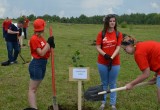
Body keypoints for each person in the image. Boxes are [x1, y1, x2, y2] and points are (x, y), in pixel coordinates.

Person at [24, 18, 55, 110]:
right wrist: (48, 44)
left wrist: (50, 45)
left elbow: (45, 49)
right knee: (32, 89)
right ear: (42, 28)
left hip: (42, 64)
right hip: (36, 64)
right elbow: (41, 53)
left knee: (34, 89)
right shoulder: (34, 39)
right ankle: (34, 108)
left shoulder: (41, 38)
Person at [121, 35, 160, 104]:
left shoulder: (138, 53)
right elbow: (157, 58)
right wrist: (155, 76)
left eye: (125, 49)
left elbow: (146, 74)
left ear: (130, 45)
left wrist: (131, 84)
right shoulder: (141, 45)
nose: (125, 51)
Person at [96, 14, 123, 110]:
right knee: (104, 83)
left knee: (112, 83)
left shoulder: (118, 34)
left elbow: (118, 47)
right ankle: (102, 103)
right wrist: (105, 55)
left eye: (114, 21)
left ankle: (112, 104)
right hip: (102, 62)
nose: (112, 22)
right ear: (107, 22)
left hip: (115, 62)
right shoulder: (101, 33)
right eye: (110, 21)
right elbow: (98, 47)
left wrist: (111, 58)